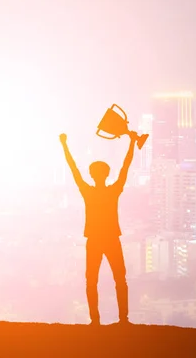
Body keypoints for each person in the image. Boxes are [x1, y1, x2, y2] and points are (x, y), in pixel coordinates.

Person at [59, 131, 137, 326]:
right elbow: (125, 167)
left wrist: (64, 145)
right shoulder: (113, 190)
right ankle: (123, 320)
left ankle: (95, 321)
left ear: (92, 175)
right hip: (110, 238)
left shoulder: (88, 191)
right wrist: (132, 143)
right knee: (120, 279)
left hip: (95, 239)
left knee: (92, 281)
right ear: (106, 174)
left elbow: (73, 168)